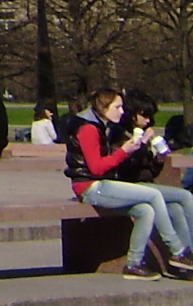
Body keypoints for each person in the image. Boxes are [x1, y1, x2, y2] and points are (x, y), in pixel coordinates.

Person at [66, 87, 191, 279]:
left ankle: (133, 264)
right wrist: (126, 150)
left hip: (105, 184)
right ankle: (178, 251)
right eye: (118, 107)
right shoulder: (88, 128)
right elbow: (97, 168)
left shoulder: (102, 126)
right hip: (90, 187)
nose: (122, 111)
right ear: (104, 107)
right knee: (154, 195)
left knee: (145, 210)